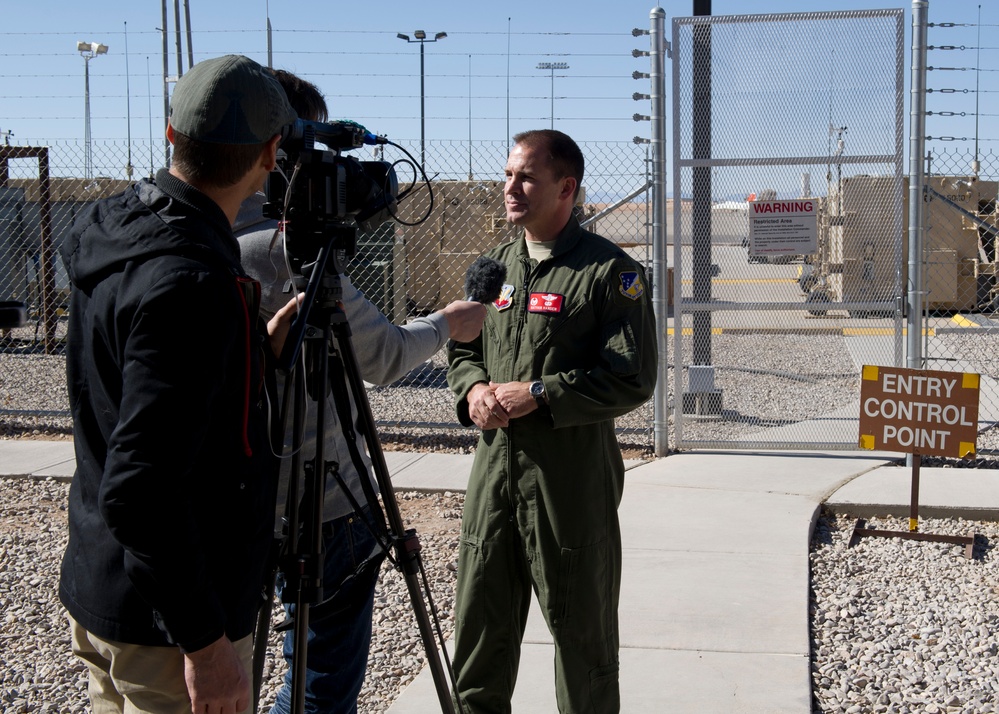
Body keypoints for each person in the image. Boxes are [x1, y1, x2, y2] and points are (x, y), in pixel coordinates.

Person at [233, 69, 487, 714]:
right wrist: (447, 325)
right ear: (277, 150)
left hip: (236, 498)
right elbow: (384, 356)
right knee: (322, 670)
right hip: (326, 501)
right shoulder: (282, 251)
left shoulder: (200, 240)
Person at [58, 55, 300, 714]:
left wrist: (255, 352)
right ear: (270, 153)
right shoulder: (191, 283)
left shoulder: (121, 233)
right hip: (165, 629)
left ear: (172, 136)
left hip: (106, 585)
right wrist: (207, 648)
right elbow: (143, 489)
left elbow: (126, 394)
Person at [446, 129, 658, 713]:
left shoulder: (609, 273)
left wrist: (542, 392)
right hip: (493, 480)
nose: (510, 188)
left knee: (582, 647)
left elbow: (632, 376)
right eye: (509, 174)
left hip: (568, 486)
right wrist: (474, 390)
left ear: (566, 188)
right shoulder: (493, 271)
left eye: (526, 177)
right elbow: (463, 347)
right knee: (477, 644)